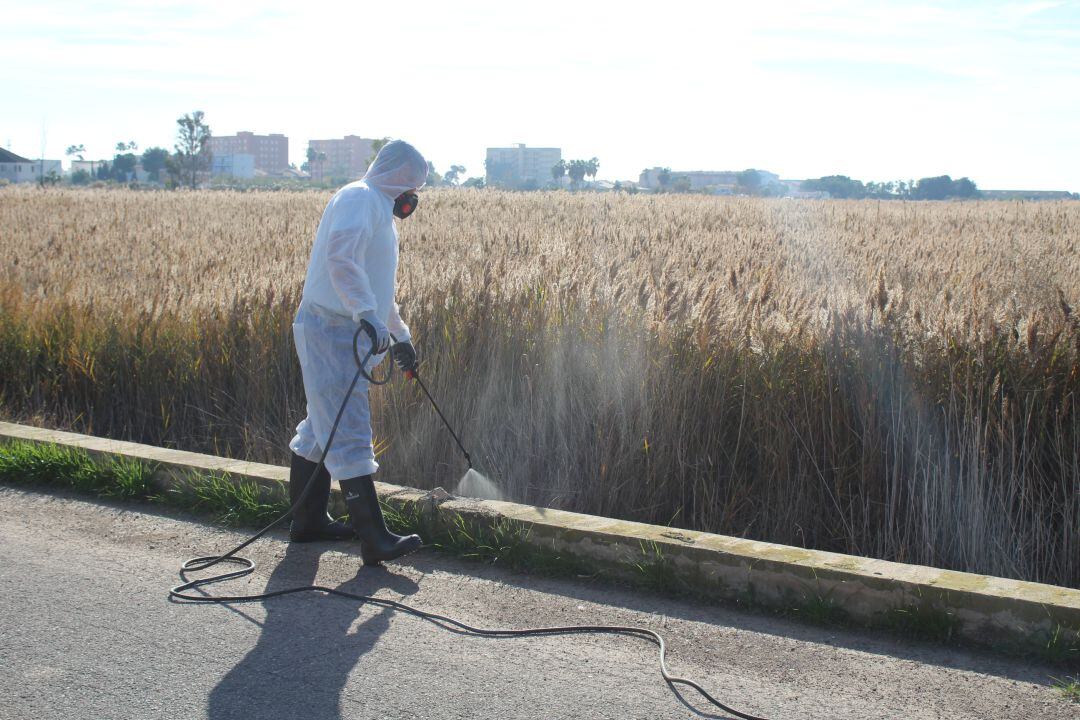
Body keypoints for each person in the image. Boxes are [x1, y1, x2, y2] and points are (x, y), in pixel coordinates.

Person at [287, 140, 426, 565]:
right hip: (330, 328)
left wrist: (399, 336)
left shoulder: (381, 212)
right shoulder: (358, 198)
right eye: (413, 185)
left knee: (320, 429)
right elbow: (341, 259)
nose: (413, 196)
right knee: (347, 427)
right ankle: (375, 539)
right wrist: (364, 313)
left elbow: (377, 287)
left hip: (346, 329)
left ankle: (307, 522)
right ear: (400, 176)